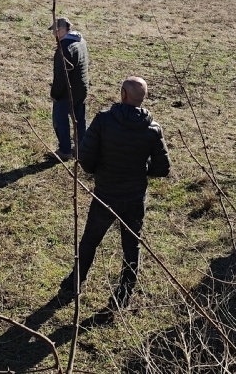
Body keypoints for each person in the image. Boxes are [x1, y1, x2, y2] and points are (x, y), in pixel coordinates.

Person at [58, 76, 170, 310]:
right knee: (132, 247)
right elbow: (163, 168)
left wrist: (98, 171)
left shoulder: (103, 120)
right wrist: (141, 171)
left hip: (105, 194)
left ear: (123, 94)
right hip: (134, 198)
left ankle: (75, 282)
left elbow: (85, 157)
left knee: (90, 240)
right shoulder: (153, 129)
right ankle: (123, 295)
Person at [49, 17, 91, 161]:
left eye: (54, 31)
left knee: (60, 120)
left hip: (68, 92)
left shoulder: (64, 49)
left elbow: (61, 77)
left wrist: (54, 94)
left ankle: (65, 151)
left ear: (62, 30)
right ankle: (81, 148)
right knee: (79, 119)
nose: (53, 35)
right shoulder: (80, 41)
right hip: (82, 88)